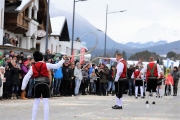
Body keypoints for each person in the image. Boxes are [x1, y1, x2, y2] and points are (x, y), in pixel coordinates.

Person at [21, 51, 66, 120]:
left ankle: (33, 119)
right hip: (45, 84)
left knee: (36, 103)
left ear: (35, 59)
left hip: (37, 85)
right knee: (46, 103)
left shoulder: (33, 67)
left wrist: (23, 88)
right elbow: (57, 66)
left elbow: (26, 77)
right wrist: (62, 59)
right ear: (42, 58)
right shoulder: (46, 64)